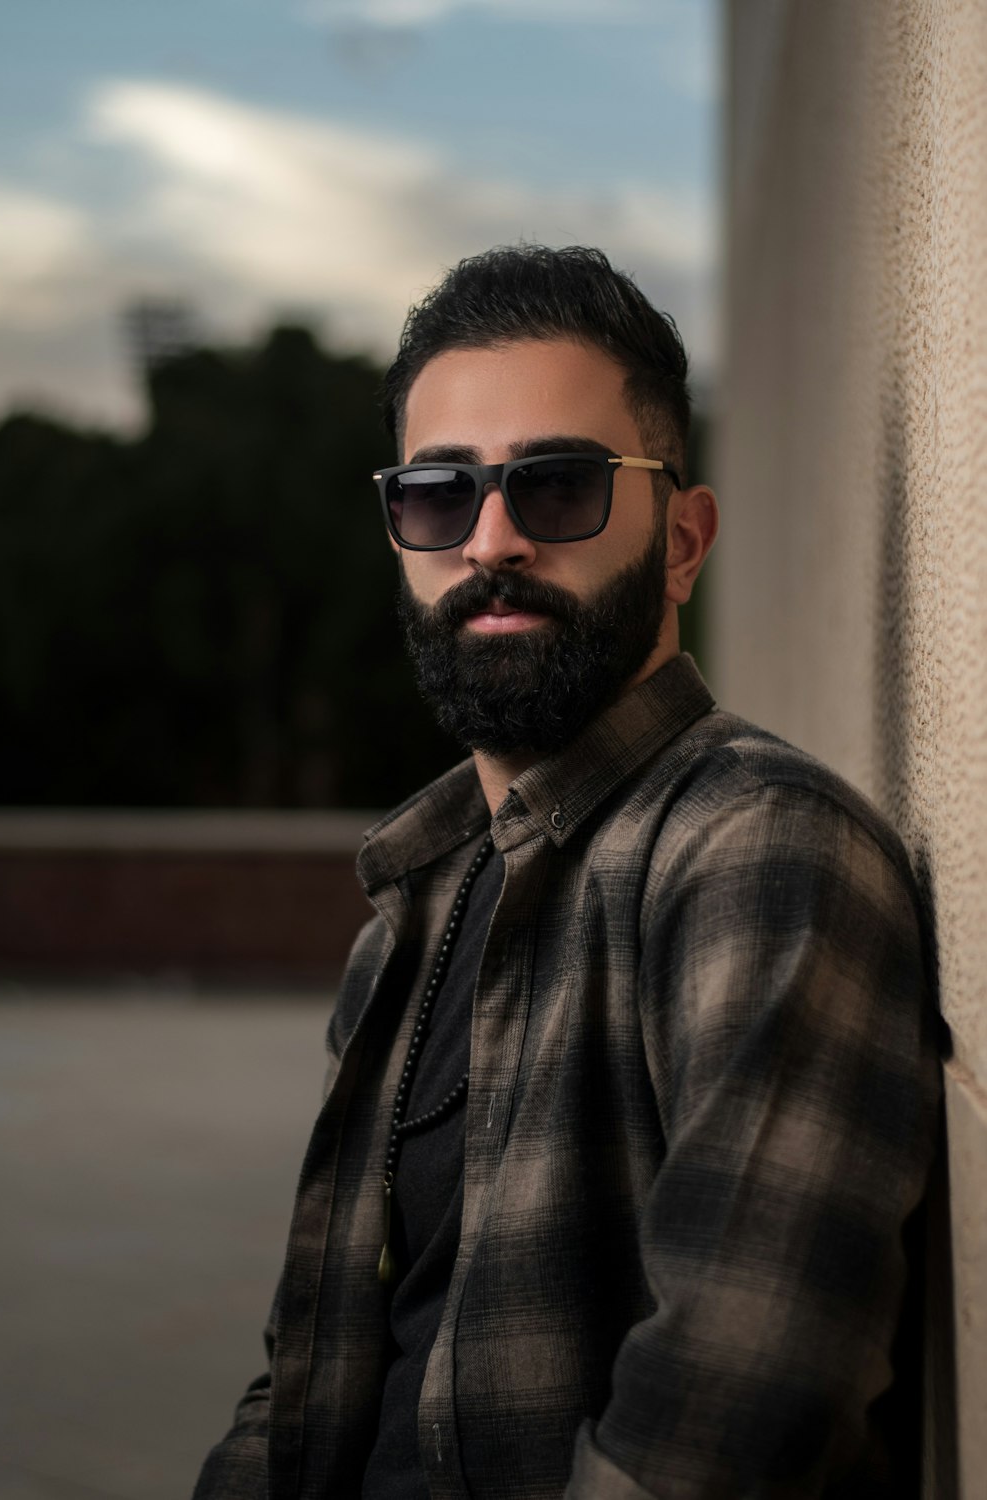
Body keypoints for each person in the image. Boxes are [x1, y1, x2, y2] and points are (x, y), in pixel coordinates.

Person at [193, 245, 939, 1499]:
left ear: (685, 539)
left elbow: (731, 1411)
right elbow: (305, 1379)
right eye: (438, 494)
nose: (491, 540)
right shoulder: (409, 914)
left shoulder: (754, 850)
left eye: (557, 486)